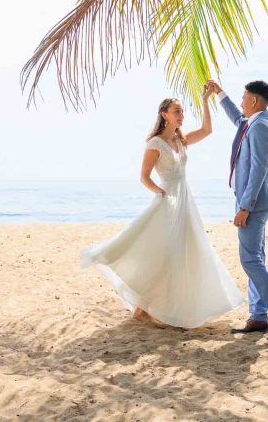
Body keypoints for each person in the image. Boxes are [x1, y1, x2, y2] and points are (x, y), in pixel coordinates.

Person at [80, 85, 244, 328]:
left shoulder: (180, 139)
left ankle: (144, 309)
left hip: (186, 201)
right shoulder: (155, 143)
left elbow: (208, 130)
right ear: (164, 114)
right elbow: (144, 177)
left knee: (183, 253)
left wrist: (205, 100)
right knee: (165, 253)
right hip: (169, 202)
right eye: (177, 111)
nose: (181, 115)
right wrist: (161, 192)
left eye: (182, 112)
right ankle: (143, 308)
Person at [205, 79, 268, 342]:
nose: (241, 102)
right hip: (252, 202)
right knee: (255, 259)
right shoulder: (253, 122)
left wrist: (245, 206)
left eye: (243, 97)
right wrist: (219, 93)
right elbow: (237, 117)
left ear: (254, 101)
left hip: (254, 204)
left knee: (251, 261)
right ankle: (258, 317)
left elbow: (260, 169)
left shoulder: (261, 127)